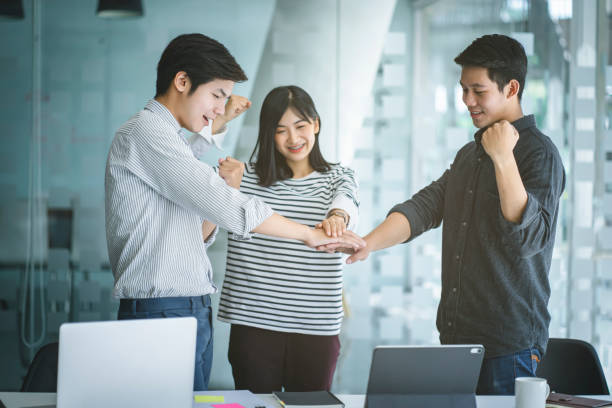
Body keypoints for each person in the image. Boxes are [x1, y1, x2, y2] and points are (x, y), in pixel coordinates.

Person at [104, 34, 365, 391]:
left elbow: (194, 203)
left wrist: (217, 126)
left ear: (316, 124)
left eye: (223, 99)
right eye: (216, 95)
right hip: (164, 308)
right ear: (182, 81)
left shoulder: (167, 140)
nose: (216, 108)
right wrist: (309, 233)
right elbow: (220, 202)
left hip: (187, 307)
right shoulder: (147, 134)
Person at [326, 34, 566, 395]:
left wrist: (504, 157)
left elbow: (529, 237)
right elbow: (426, 207)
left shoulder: (539, 154)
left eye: (478, 90)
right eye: (463, 89)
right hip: (457, 341)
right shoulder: (470, 155)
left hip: (510, 348)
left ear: (511, 88)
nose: (467, 101)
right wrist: (368, 243)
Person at [216, 85, 359, 393]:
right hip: (254, 323)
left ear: (316, 125)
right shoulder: (244, 177)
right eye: (281, 130)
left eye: (301, 126)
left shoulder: (339, 177)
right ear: (269, 134)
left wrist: (337, 217)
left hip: (316, 328)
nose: (293, 139)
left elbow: (345, 202)